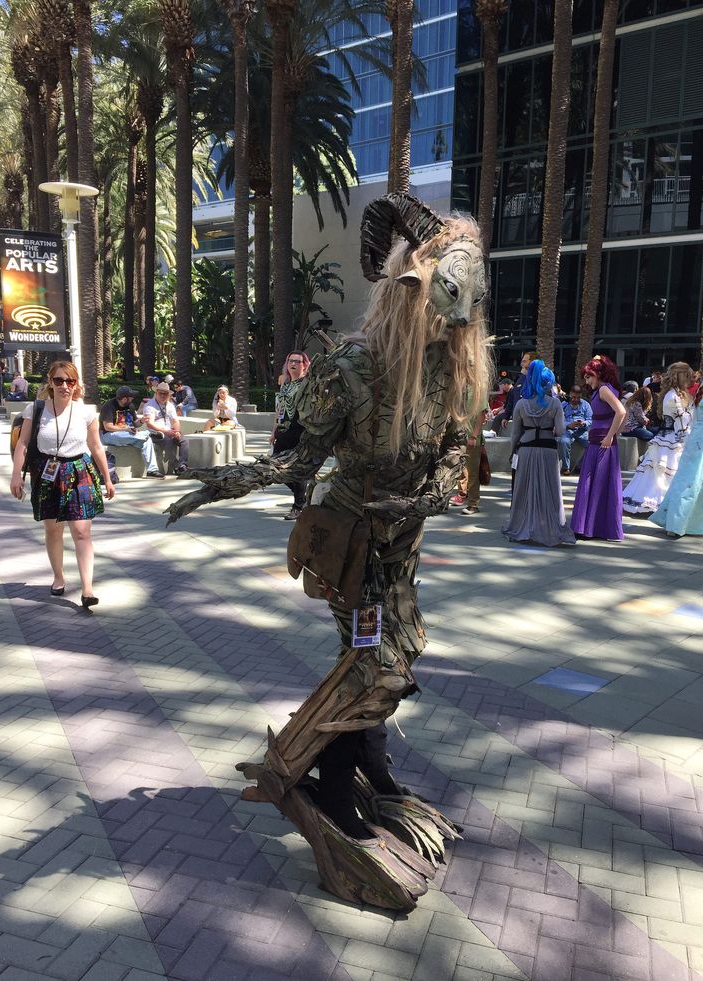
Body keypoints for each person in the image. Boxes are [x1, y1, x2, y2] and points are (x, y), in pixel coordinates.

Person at [166, 196, 490, 909]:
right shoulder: (351, 367)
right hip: (347, 541)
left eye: (466, 304)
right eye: (443, 298)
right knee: (373, 664)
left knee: (400, 655)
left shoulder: (454, 370)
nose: (454, 321)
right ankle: (332, 788)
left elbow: (450, 463)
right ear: (412, 289)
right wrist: (225, 481)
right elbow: (295, 459)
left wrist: (418, 503)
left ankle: (372, 768)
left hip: (400, 540)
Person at [9, 360, 115, 607]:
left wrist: (107, 478)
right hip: (47, 471)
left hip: (79, 470)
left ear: (76, 384)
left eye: (70, 381)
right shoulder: (34, 410)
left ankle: (87, 589)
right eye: (59, 380)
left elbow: (96, 446)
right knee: (54, 530)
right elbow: (23, 444)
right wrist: (16, 475)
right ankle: (58, 577)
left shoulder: (86, 412)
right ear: (50, 382)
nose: (65, 386)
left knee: (81, 531)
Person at [502, 360, 575, 547]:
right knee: (549, 490)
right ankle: (548, 526)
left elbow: (515, 434)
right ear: (549, 383)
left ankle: (524, 525)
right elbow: (559, 431)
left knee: (524, 490)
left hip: (526, 450)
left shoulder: (521, 404)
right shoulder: (555, 404)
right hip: (548, 451)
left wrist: (512, 453)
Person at [651, 356, 703, 537]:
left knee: (688, 479)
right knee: (696, 481)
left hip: (699, 439)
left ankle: (677, 522)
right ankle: (681, 523)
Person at [622, 362, 693, 516]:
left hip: (670, 438)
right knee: (661, 473)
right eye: (687, 377)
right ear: (680, 377)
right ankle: (660, 504)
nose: (690, 380)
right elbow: (681, 423)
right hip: (672, 438)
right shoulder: (673, 396)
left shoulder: (674, 394)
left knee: (659, 472)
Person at [570, 355, 626, 541]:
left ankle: (590, 527)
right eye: (586, 377)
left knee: (596, 483)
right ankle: (592, 527)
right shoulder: (603, 389)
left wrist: (610, 436)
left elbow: (621, 411)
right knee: (598, 485)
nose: (587, 380)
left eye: (589, 376)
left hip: (602, 443)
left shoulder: (603, 389)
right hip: (599, 442)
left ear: (599, 374)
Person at [271, 351, 310, 519]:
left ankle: (298, 506)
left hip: (298, 431)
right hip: (282, 431)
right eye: (290, 361)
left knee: (296, 469)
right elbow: (279, 410)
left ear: (304, 365)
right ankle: (304, 496)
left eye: (297, 361)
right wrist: (273, 431)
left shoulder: (307, 384)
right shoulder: (285, 385)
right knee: (274, 468)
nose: (293, 364)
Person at [100, 386, 164, 478]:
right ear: (124, 398)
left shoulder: (130, 406)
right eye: (131, 397)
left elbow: (135, 424)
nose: (133, 398)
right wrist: (126, 429)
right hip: (108, 435)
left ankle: (152, 471)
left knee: (147, 440)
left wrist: (141, 421)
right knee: (142, 436)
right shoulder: (109, 406)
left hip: (129, 435)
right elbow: (108, 427)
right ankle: (148, 432)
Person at [143, 382, 189, 473]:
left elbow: (175, 421)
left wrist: (177, 431)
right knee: (168, 441)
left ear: (169, 395)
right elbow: (150, 424)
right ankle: (177, 466)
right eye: (161, 393)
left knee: (184, 440)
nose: (163, 395)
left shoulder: (170, 405)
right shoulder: (149, 406)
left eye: (166, 393)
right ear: (156, 393)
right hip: (155, 433)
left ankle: (182, 464)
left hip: (168, 431)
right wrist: (165, 432)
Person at [449, 406, 486, 514]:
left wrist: (474, 436)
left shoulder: (478, 390)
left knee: (472, 472)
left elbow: (482, 414)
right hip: (456, 436)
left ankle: (473, 504)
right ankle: (455, 496)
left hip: (471, 439)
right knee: (454, 469)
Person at [557, 384, 592, 475]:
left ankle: (580, 466)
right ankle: (565, 467)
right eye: (573, 397)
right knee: (564, 442)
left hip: (582, 431)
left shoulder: (586, 405)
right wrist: (569, 425)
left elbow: (591, 420)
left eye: (577, 397)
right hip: (568, 430)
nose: (575, 399)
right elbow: (558, 420)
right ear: (570, 394)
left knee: (591, 444)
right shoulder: (564, 405)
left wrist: (584, 423)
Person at [500, 351, 539, 431]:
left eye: (524, 361)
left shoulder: (540, 379)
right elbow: (512, 398)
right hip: (518, 423)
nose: (521, 364)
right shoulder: (521, 378)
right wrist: (506, 417)